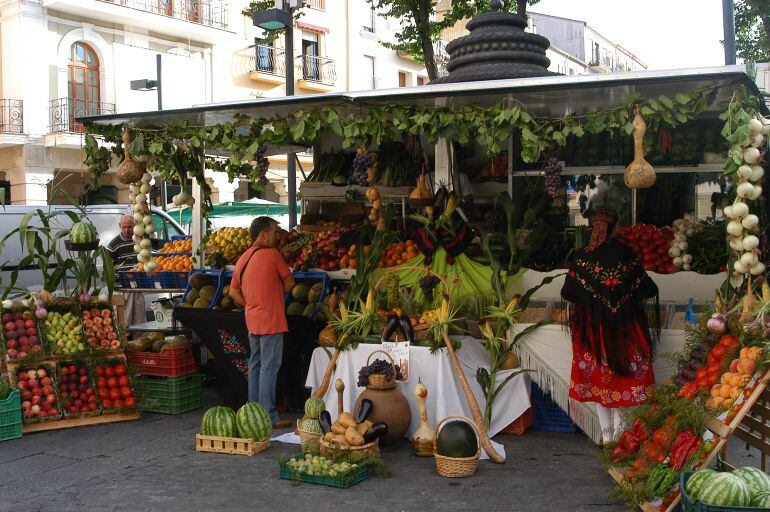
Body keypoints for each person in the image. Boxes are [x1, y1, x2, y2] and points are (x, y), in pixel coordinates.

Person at [560, 207, 659, 443]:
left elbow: (569, 292)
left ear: (593, 227)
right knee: (622, 382)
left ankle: (607, 436)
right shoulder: (627, 255)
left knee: (597, 384)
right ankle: (619, 436)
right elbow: (648, 289)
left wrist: (595, 301)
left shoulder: (582, 257)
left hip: (592, 332)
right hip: (624, 331)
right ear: (615, 228)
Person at [230, 216, 295, 429]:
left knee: (255, 365)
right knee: (269, 366)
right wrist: (274, 296)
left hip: (253, 320)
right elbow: (289, 283)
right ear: (263, 234)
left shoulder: (243, 258)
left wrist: (251, 303)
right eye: (275, 232)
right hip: (272, 320)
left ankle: (253, 413)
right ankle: (269, 416)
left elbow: (233, 292)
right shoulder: (272, 255)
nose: (277, 236)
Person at [107, 215, 145, 327]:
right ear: (120, 226)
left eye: (130, 227)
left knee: (139, 322)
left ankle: (140, 341)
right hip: (122, 289)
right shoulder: (114, 244)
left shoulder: (139, 241)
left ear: (134, 226)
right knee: (124, 322)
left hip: (137, 288)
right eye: (124, 227)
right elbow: (108, 269)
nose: (127, 230)